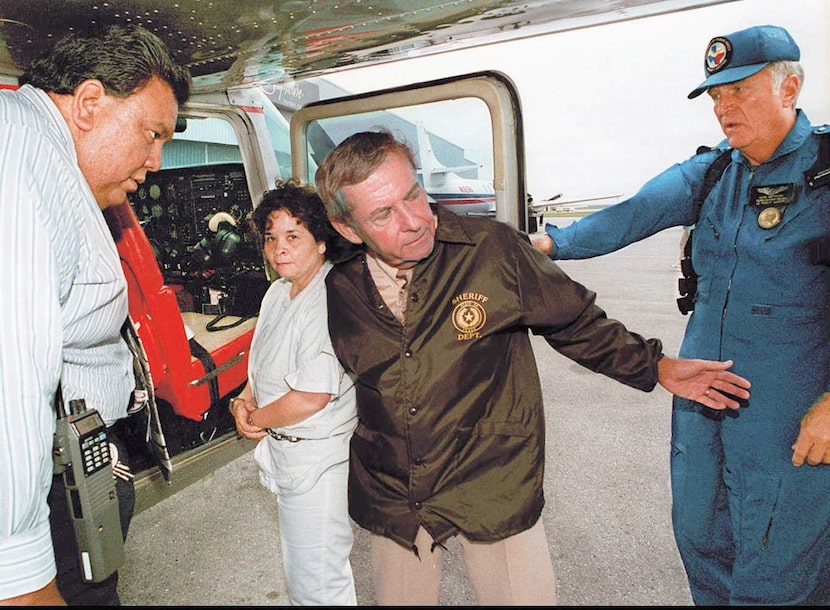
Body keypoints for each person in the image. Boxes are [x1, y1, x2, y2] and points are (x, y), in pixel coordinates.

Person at [312, 129, 751, 606]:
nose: (414, 220)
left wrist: (656, 365)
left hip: (489, 478)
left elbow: (575, 322)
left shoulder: (493, 251)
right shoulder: (342, 289)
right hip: (397, 494)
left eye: (413, 195)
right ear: (348, 229)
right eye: (383, 214)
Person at [531, 24, 830, 605]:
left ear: (789, 87)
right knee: (701, 543)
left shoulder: (827, 173)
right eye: (716, 96)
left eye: (739, 90)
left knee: (781, 567)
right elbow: (633, 211)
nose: (724, 107)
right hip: (703, 404)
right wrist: (550, 245)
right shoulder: (715, 171)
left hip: (789, 413)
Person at [0, 26, 191, 605]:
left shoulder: (40, 152)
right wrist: (23, 580)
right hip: (51, 495)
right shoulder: (26, 162)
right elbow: (11, 378)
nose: (157, 160)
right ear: (88, 104)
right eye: (151, 133)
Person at [229, 180, 359, 605]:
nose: (279, 248)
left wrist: (254, 419)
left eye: (293, 237)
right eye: (271, 238)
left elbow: (310, 396)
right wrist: (244, 399)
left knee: (318, 583)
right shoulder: (278, 291)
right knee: (303, 574)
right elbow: (263, 364)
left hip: (318, 460)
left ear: (321, 242)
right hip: (287, 452)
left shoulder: (327, 295)